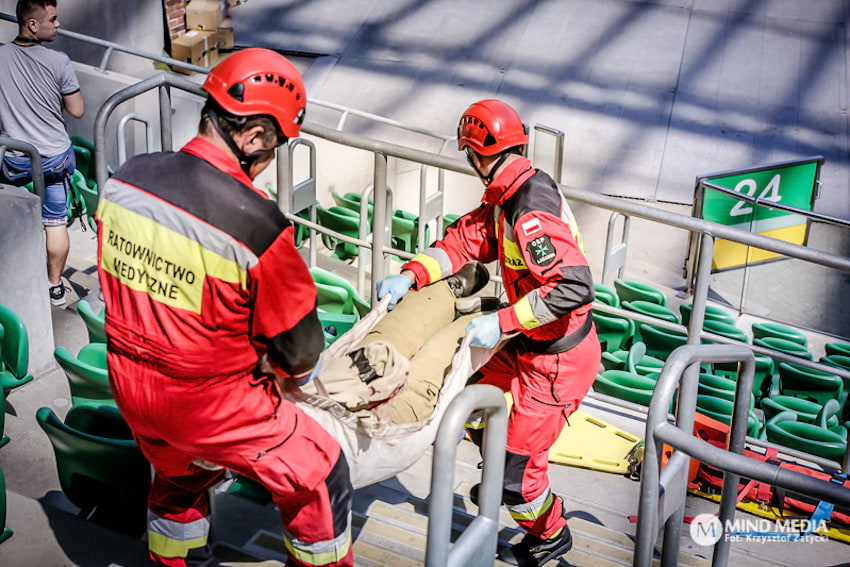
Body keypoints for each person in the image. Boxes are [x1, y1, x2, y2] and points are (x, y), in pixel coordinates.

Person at [95, 49, 353, 567]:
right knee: (322, 474)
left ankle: (172, 559)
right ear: (254, 136)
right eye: (276, 145)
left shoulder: (125, 180)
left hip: (130, 388)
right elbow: (300, 353)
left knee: (178, 473)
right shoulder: (259, 226)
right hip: (214, 408)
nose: (271, 158)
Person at [376, 99, 602, 567]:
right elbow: (461, 242)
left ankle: (549, 531)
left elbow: (574, 287)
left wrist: (501, 322)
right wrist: (412, 275)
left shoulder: (529, 211)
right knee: (463, 397)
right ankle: (498, 463)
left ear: (476, 155)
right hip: (528, 344)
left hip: (557, 363)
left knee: (518, 481)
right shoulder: (508, 196)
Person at [0, 0, 84, 306]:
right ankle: (54, 286)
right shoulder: (59, 61)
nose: (58, 24)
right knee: (55, 222)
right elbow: (77, 110)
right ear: (32, 25)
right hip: (52, 159)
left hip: (12, 159)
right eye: (54, 19)